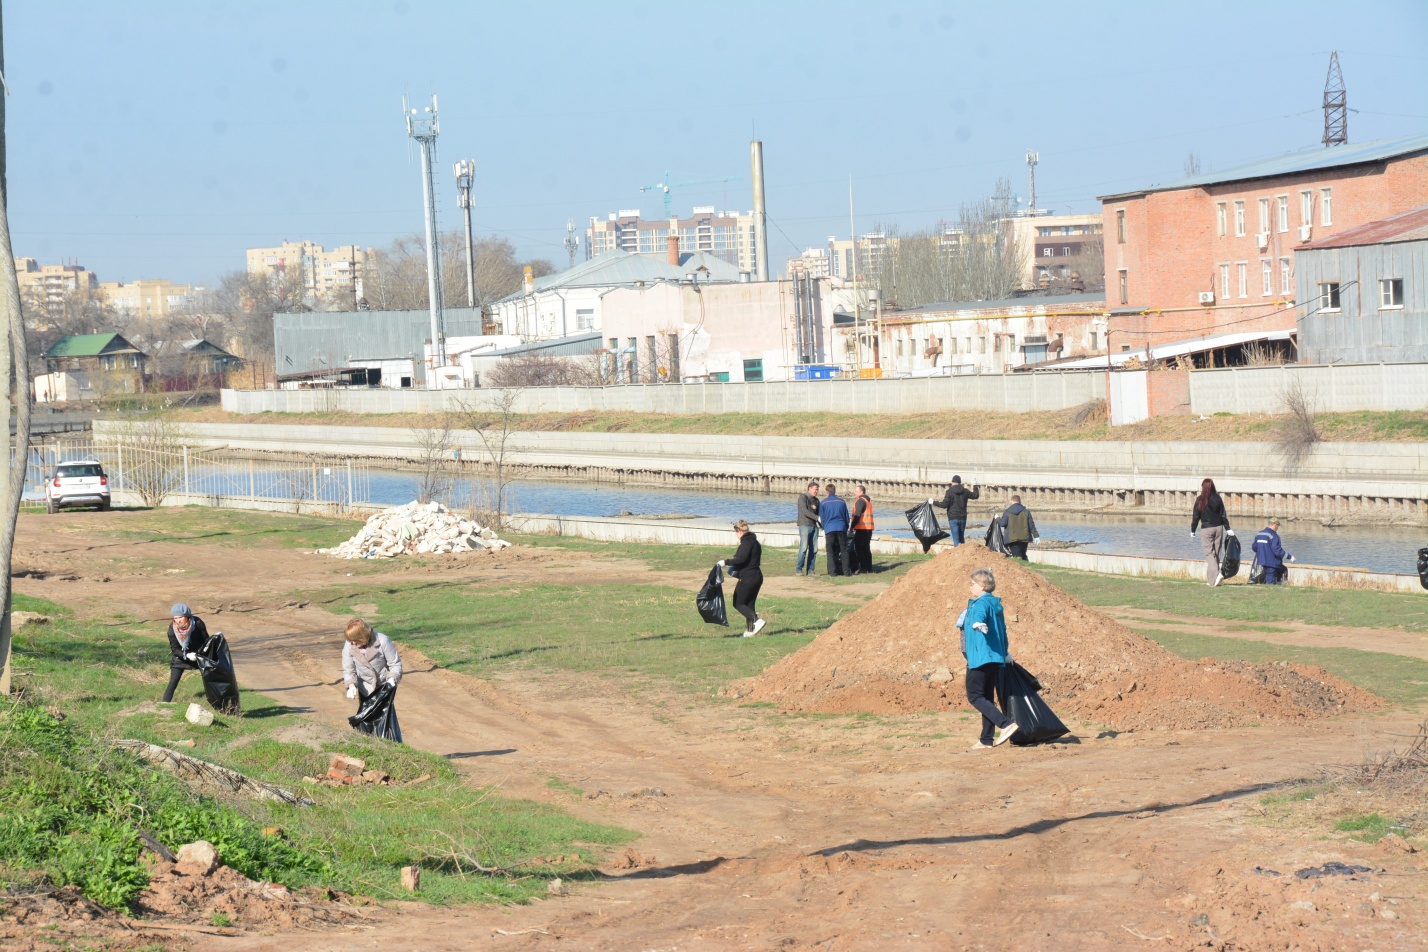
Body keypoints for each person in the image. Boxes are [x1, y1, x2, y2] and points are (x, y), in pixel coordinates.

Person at [957, 568, 1019, 750]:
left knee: (975, 696)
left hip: (981, 657)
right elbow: (1003, 630)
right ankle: (986, 739)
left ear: (982, 586)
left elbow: (978, 615)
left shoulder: (981, 604)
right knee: (986, 698)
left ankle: (1006, 724)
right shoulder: (995, 604)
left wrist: (976, 623)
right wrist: (1005, 652)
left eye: (973, 584)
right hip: (995, 657)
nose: (970, 587)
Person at [342, 618, 404, 743]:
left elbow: (395, 664)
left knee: (384, 718)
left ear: (363, 636)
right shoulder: (349, 645)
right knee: (366, 719)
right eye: (351, 640)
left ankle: (388, 744)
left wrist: (392, 679)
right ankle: (367, 744)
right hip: (365, 688)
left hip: (384, 688)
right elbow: (348, 669)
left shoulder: (382, 641)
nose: (353, 643)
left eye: (355, 640)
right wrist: (351, 685)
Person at [719, 520, 766, 636]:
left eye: (736, 532)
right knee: (749, 604)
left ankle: (756, 620)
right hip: (757, 576)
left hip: (747, 577)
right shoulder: (755, 542)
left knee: (738, 603)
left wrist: (725, 562)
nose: (736, 535)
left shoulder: (746, 543)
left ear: (739, 531)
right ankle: (750, 631)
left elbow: (741, 559)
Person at [162, 602, 211, 703]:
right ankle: (164, 705)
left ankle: (216, 702)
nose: (178, 620)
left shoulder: (197, 623)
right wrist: (187, 655)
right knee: (173, 682)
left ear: (187, 616)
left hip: (199, 655)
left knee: (210, 680)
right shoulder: (172, 630)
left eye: (180, 617)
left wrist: (201, 654)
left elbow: (207, 640)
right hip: (181, 657)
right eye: (175, 618)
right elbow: (175, 649)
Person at [1190, 477, 1234, 587]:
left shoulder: (1200, 499)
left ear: (1203, 487)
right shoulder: (1218, 498)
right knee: (1216, 553)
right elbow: (1223, 514)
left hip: (1207, 528)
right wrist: (1228, 528)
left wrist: (1193, 530)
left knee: (1209, 553)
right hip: (1219, 527)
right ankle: (1212, 580)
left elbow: (1196, 516)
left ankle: (1218, 574)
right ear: (1213, 486)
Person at [931, 475, 980, 546]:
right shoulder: (965, 491)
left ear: (952, 482)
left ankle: (958, 554)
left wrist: (933, 502)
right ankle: (963, 554)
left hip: (953, 518)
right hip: (963, 518)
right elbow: (976, 495)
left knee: (956, 540)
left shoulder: (949, 492)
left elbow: (944, 505)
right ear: (960, 483)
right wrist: (975, 485)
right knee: (961, 538)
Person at [819, 483, 852, 577]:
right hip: (841, 527)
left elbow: (822, 518)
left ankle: (832, 572)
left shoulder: (823, 503)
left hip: (829, 528)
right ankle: (846, 572)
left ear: (826, 492)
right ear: (834, 491)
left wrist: (825, 528)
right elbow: (846, 517)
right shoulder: (842, 502)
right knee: (844, 550)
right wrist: (845, 527)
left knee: (830, 551)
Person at [1252, 517, 1295, 584]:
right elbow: (1277, 550)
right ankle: (1273, 588)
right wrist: (1290, 557)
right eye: (1277, 526)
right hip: (1272, 562)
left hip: (1262, 561)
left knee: (1283, 569)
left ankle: (1278, 584)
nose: (1277, 528)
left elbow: (1254, 548)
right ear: (1275, 525)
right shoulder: (1274, 535)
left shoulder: (1259, 534)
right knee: (1271, 579)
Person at [998, 495, 1039, 561]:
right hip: (1024, 538)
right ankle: (1027, 568)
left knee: (1017, 557)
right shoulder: (1026, 511)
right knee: (1023, 554)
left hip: (1012, 538)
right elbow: (1031, 525)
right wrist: (1036, 536)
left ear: (1012, 501)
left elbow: (1002, 524)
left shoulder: (1007, 512)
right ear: (1020, 501)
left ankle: (1024, 568)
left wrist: (997, 518)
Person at [796, 481, 821, 576]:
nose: (816, 491)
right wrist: (817, 518)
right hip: (805, 526)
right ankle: (798, 569)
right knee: (803, 548)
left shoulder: (817, 500)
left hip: (814, 527)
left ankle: (810, 570)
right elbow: (805, 511)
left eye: (817, 490)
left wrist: (821, 524)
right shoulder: (803, 497)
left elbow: (819, 513)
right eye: (815, 489)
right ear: (809, 489)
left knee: (814, 549)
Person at [850, 485, 875, 575]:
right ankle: (869, 568)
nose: (854, 492)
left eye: (856, 491)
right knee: (866, 548)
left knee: (859, 548)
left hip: (862, 528)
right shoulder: (867, 501)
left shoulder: (860, 501)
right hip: (868, 528)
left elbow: (857, 515)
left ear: (861, 492)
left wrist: (852, 526)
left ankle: (863, 567)